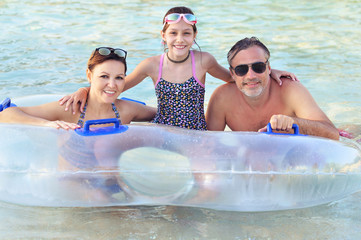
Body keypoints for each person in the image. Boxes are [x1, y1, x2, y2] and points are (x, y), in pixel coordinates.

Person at [59, 6, 298, 131]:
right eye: (173, 33)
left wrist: (268, 70)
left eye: (186, 33)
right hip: (163, 130)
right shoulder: (151, 65)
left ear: (195, 36)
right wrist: (83, 90)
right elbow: (116, 87)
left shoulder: (203, 61)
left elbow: (236, 79)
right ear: (163, 36)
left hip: (197, 133)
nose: (179, 39)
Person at [206, 37, 340, 140]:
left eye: (258, 67)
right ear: (233, 73)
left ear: (269, 68)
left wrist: (295, 123)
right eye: (242, 70)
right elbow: (206, 145)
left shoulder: (290, 90)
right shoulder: (222, 98)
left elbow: (333, 134)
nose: (251, 76)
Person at [0, 47, 156, 129]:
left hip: (112, 180)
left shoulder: (127, 110)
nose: (112, 85)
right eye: (104, 76)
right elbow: (5, 115)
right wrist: (46, 124)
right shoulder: (70, 108)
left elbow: (163, 115)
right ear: (89, 75)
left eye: (119, 78)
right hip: (73, 181)